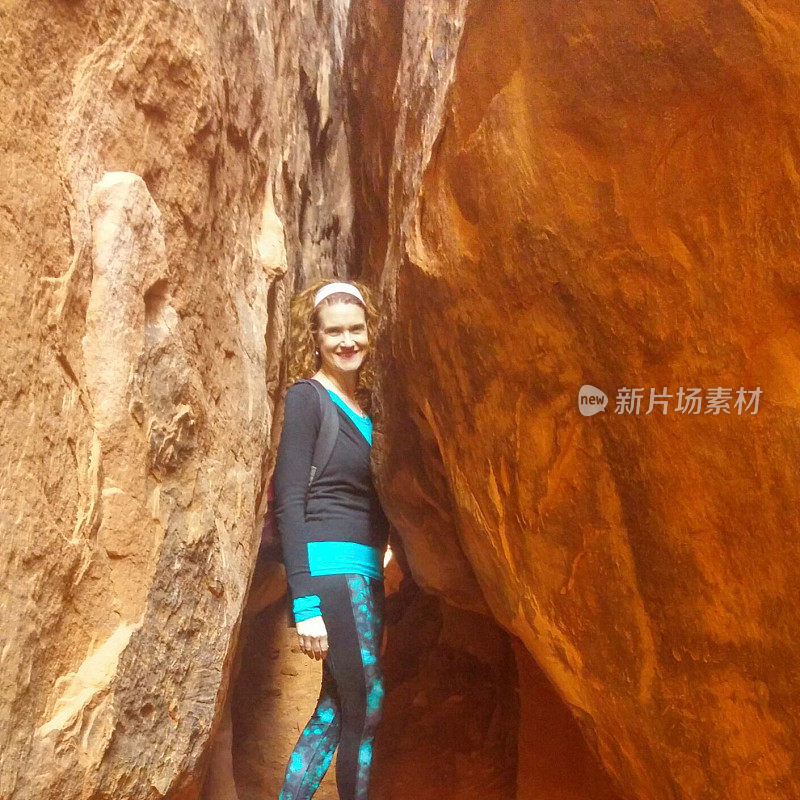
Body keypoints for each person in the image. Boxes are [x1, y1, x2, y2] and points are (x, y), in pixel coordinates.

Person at [273, 279, 390, 800]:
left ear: (370, 333)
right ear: (315, 338)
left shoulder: (366, 410)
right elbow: (288, 501)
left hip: (364, 574)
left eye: (356, 329)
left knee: (336, 708)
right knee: (367, 703)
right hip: (332, 572)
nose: (348, 341)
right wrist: (305, 603)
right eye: (335, 332)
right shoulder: (308, 399)